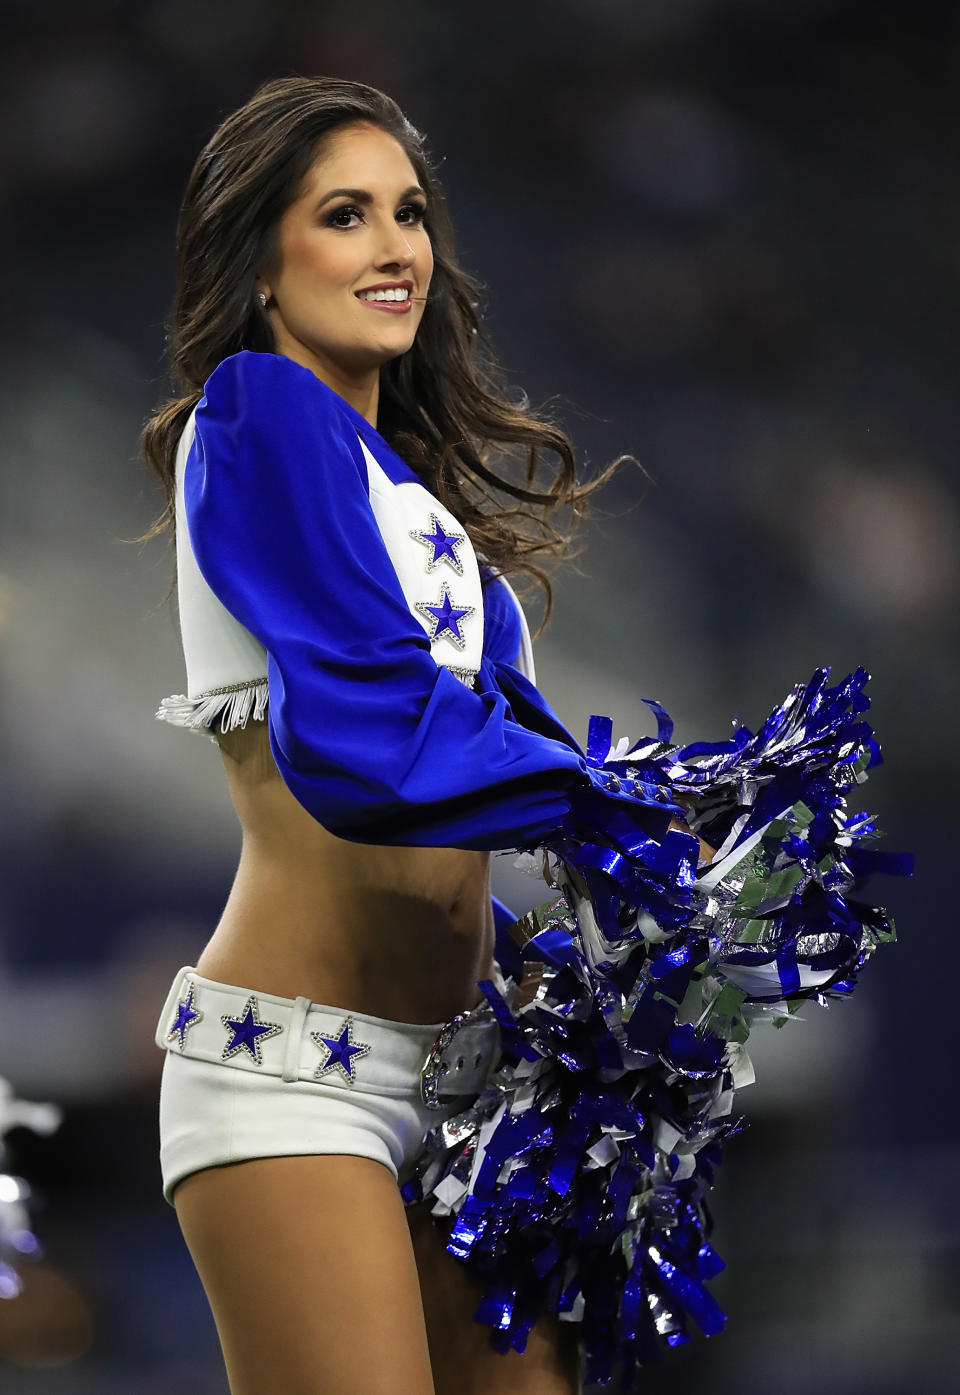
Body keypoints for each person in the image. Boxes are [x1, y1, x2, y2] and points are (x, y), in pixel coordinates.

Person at [142, 76, 703, 1395]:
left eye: (410, 212)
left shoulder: (413, 506)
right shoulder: (257, 414)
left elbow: (500, 780)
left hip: (476, 1091)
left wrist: (668, 832)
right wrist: (606, 804)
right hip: (297, 1077)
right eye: (345, 214)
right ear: (260, 260)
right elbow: (365, 742)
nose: (394, 247)